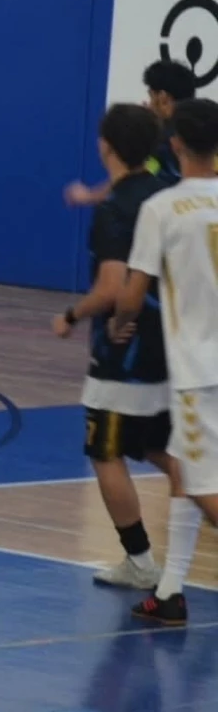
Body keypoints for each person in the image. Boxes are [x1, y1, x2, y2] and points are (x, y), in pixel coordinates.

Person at [52, 104, 186, 589]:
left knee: (105, 451)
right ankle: (183, 548)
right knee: (158, 446)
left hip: (124, 351)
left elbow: (112, 288)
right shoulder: (167, 194)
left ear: (105, 145)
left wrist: (71, 316)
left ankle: (140, 561)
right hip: (173, 345)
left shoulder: (115, 211)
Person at [114, 97, 218, 625]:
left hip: (203, 370)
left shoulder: (161, 208)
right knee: (183, 469)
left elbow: (133, 293)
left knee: (202, 486)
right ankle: (172, 591)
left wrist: (118, 325)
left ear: (174, 142)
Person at [65, 60, 197, 205]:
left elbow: (130, 178)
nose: (149, 103)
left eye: (151, 96)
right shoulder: (204, 131)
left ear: (163, 98)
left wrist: (89, 196)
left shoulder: (160, 139)